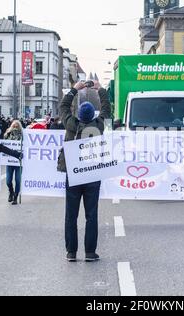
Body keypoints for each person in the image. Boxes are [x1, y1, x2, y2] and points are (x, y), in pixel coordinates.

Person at [58, 80, 111, 262]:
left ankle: (71, 252)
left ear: (79, 115)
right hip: (91, 174)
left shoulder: (71, 125)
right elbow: (106, 109)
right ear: (92, 115)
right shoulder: (98, 126)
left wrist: (75, 89)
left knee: (70, 215)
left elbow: (63, 106)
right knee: (91, 215)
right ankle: (90, 252)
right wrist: (100, 89)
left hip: (73, 175)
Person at [4, 120, 23, 205]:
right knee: (8, 181)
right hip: (9, 160)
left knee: (18, 180)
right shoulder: (7, 134)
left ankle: (15, 196)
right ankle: (11, 192)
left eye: (17, 126)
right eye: (14, 126)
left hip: (19, 161)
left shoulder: (23, 135)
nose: (15, 128)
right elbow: (3, 145)